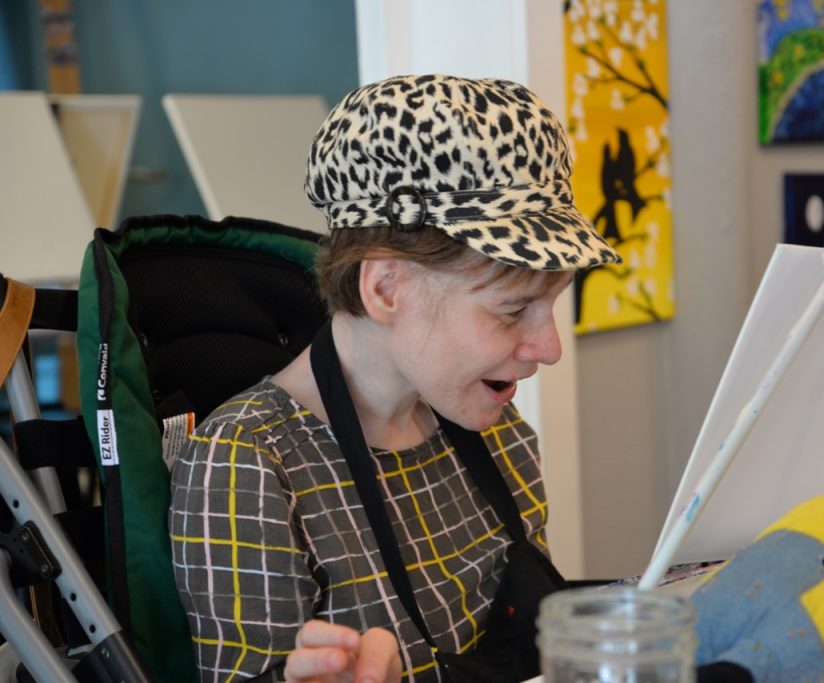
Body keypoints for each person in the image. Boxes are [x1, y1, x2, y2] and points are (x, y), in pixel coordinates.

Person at [168, 73, 621, 683]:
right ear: (385, 288)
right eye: (513, 310)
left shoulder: (497, 429)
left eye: (553, 305)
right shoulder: (248, 464)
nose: (548, 348)